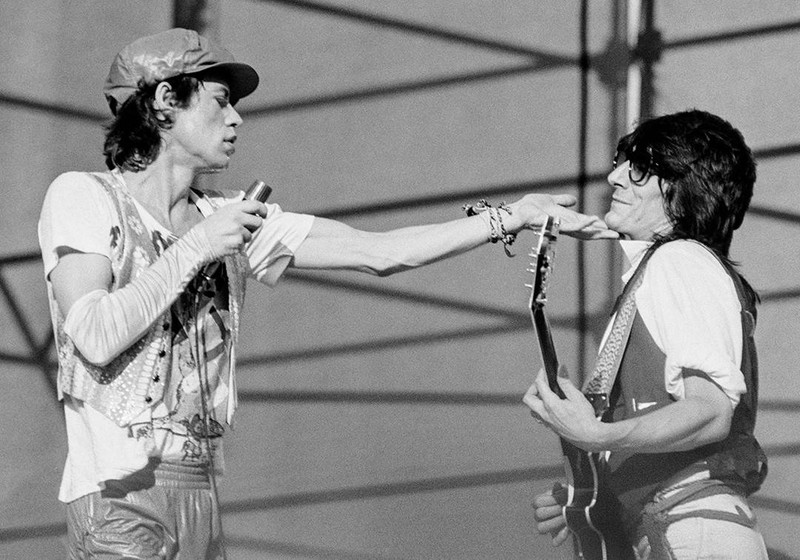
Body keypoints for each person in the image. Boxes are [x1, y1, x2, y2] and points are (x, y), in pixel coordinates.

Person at [38, 28, 615, 559]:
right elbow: (93, 334)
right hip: (118, 495)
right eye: (220, 100)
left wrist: (511, 217)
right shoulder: (86, 196)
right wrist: (197, 247)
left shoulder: (228, 217)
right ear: (165, 100)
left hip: (199, 491)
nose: (236, 118)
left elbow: (381, 252)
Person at [523, 109, 768, 559]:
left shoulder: (680, 261)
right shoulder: (670, 268)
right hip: (679, 527)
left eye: (638, 168)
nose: (614, 176)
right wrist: (592, 495)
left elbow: (710, 411)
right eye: (621, 161)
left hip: (691, 530)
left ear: (679, 190)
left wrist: (596, 437)